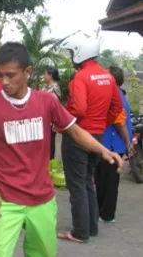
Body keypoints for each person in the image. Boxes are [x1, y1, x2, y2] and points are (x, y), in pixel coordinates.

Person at [0, 42, 123, 257]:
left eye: (11, 75)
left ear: (27, 71)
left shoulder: (46, 102)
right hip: (4, 202)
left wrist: (103, 150)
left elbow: (75, 130)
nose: (4, 82)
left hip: (42, 201)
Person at [57, 31, 124, 243]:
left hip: (78, 135)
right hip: (97, 136)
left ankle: (80, 232)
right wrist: (101, 125)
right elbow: (116, 108)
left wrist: (64, 124)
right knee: (88, 182)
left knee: (77, 184)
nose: (70, 57)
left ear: (79, 53)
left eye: (71, 53)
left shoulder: (81, 77)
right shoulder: (108, 77)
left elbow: (79, 108)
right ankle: (91, 227)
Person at [95, 66, 134, 224]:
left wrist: (128, 143)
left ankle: (106, 214)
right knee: (105, 180)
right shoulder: (120, 94)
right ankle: (103, 212)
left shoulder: (114, 95)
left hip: (112, 145)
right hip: (111, 144)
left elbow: (120, 123)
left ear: (112, 79)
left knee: (106, 181)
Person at [42, 67, 62, 160]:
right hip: (43, 121)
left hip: (49, 121)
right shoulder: (46, 87)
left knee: (50, 144)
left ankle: (50, 164)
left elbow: (54, 107)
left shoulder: (54, 89)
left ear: (50, 75)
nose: (44, 76)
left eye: (45, 74)